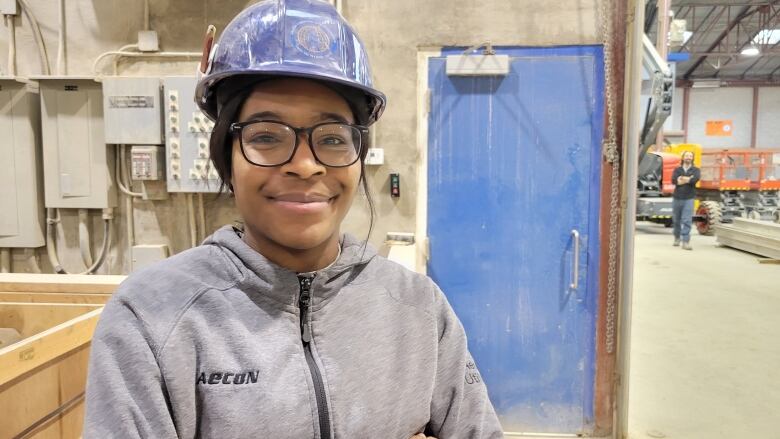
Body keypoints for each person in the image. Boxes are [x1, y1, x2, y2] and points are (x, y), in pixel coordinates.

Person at [83, 1, 503, 438]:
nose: (305, 166)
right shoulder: (152, 317)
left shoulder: (418, 310)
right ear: (226, 155)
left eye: (332, 138)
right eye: (266, 136)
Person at [671, 150, 700, 250]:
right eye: (686, 156)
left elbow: (694, 180)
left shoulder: (696, 170)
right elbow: (674, 180)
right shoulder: (677, 170)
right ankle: (677, 238)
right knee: (676, 220)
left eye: (690, 156)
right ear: (683, 158)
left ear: (692, 158)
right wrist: (688, 179)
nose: (688, 157)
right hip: (677, 197)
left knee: (687, 220)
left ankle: (685, 242)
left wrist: (682, 179)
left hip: (689, 198)